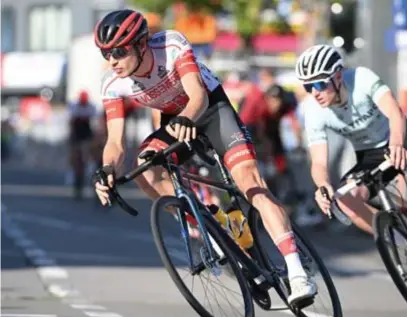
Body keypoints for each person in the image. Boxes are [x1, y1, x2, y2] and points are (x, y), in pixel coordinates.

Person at [92, 9, 316, 304]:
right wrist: (107, 168)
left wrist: (187, 119)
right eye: (106, 53)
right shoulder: (113, 84)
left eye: (119, 52)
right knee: (145, 167)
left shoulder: (170, 46)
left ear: (141, 44)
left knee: (251, 184)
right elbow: (116, 141)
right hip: (175, 121)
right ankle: (210, 228)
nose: (112, 61)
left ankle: (298, 274)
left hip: (211, 110)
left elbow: (198, 95)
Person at [295, 44, 407, 234]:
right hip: (369, 154)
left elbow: (395, 113)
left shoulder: (361, 78)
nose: (315, 92)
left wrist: (397, 142)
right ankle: (396, 238)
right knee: (345, 200)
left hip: (397, 135)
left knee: (404, 198)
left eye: (320, 84)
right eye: (308, 86)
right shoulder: (313, 111)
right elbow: (319, 162)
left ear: (338, 77)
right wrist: (322, 185)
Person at [67, 90, 98, 198]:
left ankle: (94, 181)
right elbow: (71, 123)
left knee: (92, 158)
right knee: (76, 160)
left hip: (87, 136)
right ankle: (77, 184)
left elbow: (94, 124)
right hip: (77, 136)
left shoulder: (91, 107)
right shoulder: (74, 107)